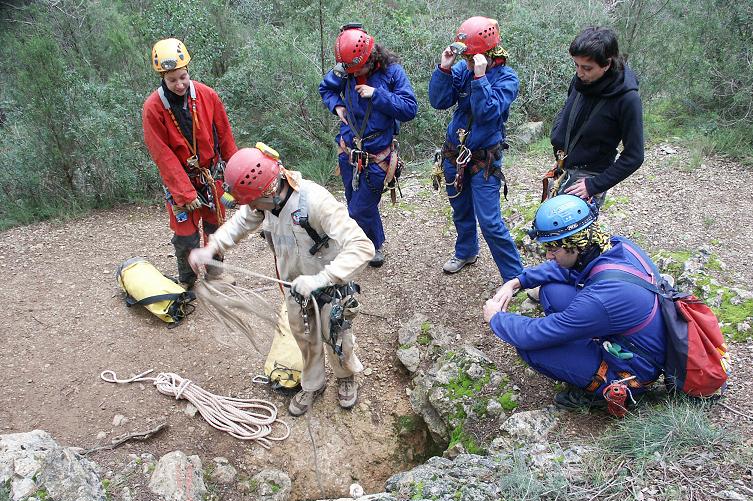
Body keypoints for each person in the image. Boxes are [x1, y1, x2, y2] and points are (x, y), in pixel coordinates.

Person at [188, 145, 375, 417]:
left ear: (268, 190)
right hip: (293, 287)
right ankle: (313, 383)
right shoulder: (264, 204)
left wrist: (322, 278)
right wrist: (212, 248)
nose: (250, 207)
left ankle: (345, 375)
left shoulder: (315, 202)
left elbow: (362, 246)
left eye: (252, 202)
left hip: (331, 287)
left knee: (337, 336)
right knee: (304, 337)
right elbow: (239, 224)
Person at [482, 194, 666, 415]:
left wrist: (497, 318)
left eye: (553, 249)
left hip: (633, 370)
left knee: (531, 349)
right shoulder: (615, 246)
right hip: (634, 338)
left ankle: (604, 391)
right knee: (551, 290)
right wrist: (518, 281)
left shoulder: (600, 298)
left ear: (574, 246)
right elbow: (569, 268)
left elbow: (534, 334)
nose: (548, 255)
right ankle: (582, 346)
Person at [428, 16, 523, 281]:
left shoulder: (507, 78)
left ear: (487, 53)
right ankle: (466, 251)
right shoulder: (461, 70)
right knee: (461, 210)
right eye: (466, 58)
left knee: (490, 221)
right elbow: (439, 101)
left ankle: (515, 276)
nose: (467, 63)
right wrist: (444, 70)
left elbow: (487, 113)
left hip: (484, 159)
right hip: (454, 154)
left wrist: (480, 78)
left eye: (472, 58)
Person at [319, 23, 418, 268]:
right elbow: (326, 88)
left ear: (370, 57)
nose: (353, 74)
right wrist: (336, 105)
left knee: (357, 208)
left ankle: (363, 246)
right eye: (349, 70)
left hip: (377, 157)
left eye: (358, 69)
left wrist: (377, 94)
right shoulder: (345, 69)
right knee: (356, 199)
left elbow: (409, 108)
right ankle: (374, 243)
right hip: (349, 152)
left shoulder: (392, 73)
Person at [142, 38, 238, 290]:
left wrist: (235, 174)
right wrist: (184, 191)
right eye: (172, 80)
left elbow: (225, 136)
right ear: (162, 77)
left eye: (183, 77)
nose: (179, 84)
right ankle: (188, 281)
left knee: (215, 227)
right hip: (179, 181)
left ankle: (216, 274)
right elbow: (161, 153)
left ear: (188, 72)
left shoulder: (208, 96)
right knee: (185, 236)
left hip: (210, 176)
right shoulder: (153, 108)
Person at [550, 26, 644, 208]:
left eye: (587, 68)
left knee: (573, 236)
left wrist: (595, 185)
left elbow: (635, 156)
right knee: (549, 230)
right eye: (576, 65)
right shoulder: (581, 80)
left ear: (607, 64)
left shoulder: (627, 99)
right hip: (563, 168)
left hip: (588, 178)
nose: (579, 72)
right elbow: (567, 109)